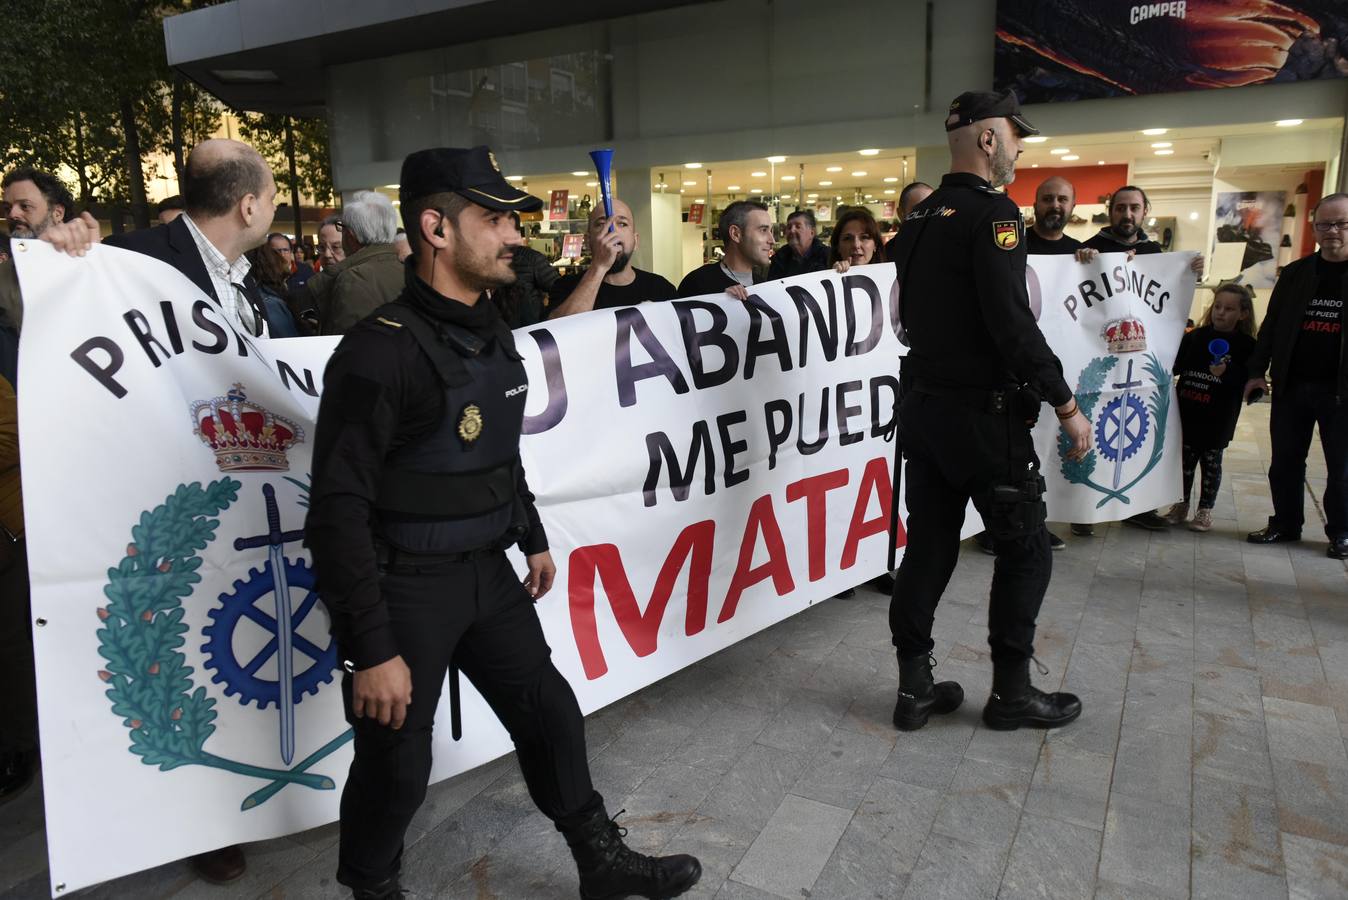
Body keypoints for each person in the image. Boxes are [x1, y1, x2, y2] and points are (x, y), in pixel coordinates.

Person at [305, 145, 702, 900]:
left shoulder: (489, 327)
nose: (515, 235)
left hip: (488, 572)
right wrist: (373, 645)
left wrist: (531, 534)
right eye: (494, 219)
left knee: (550, 712)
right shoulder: (377, 355)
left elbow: (496, 448)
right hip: (405, 588)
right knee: (397, 765)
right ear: (436, 227)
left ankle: (600, 864)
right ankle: (372, 889)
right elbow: (337, 512)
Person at [887, 89, 1090, 734]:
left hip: (924, 413)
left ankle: (915, 688)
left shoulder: (918, 220)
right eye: (1014, 135)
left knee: (930, 548)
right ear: (987, 139)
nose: (1020, 149)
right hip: (984, 420)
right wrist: (1065, 403)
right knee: (1027, 548)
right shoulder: (995, 214)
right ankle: (1011, 692)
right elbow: (1010, 320)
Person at [1082, 185, 1205, 532]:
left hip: (1140, 364)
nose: (1127, 214)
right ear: (1111, 211)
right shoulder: (1091, 248)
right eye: (1120, 207)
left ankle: (1136, 506)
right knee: (1094, 433)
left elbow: (1166, 296)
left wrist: (1190, 268)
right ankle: (1085, 510)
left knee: (1138, 435)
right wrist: (1083, 261)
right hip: (1101, 359)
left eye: (1134, 208)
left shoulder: (1155, 251)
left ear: (1145, 211)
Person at [1244, 192, 1348, 559]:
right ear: (1315, 227)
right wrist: (1257, 372)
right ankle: (1286, 524)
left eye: (1341, 223)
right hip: (1292, 385)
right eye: (1324, 224)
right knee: (1285, 461)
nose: (1332, 231)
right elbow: (1271, 327)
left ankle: (1342, 533)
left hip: (1341, 393)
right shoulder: (1297, 274)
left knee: (1342, 468)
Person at [105, 139, 278, 339]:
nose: (273, 208)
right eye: (271, 198)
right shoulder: (131, 258)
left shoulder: (240, 272)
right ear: (249, 207)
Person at [1163, 283, 1257, 532]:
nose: (1221, 313)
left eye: (1229, 309)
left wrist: (1228, 372)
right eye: (1217, 306)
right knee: (1183, 463)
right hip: (1188, 412)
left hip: (1218, 418)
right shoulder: (1195, 336)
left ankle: (1205, 510)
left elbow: (1247, 380)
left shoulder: (1247, 345)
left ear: (1243, 314)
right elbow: (1175, 365)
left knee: (1211, 465)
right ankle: (1179, 505)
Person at [549, 198, 676, 318]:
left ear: (635, 241)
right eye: (601, 224)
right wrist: (599, 267)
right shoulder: (565, 287)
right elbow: (555, 334)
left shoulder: (661, 289)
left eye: (622, 223)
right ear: (587, 242)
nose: (612, 231)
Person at [309, 191, 404, 336]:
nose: (328, 254)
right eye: (322, 247)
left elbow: (351, 346)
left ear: (351, 235)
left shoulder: (354, 279)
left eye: (342, 227)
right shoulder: (411, 270)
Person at [677, 200, 773, 298]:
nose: (772, 240)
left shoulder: (763, 286)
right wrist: (722, 301)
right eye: (763, 230)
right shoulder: (697, 283)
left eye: (771, 231)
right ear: (735, 234)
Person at [501, 209, 558, 326]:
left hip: (528, 332)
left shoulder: (532, 259)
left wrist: (546, 319)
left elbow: (559, 290)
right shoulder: (482, 261)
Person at [245, 242, 302, 337]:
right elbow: (287, 342)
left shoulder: (267, 298)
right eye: (278, 251)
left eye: (285, 250)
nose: (282, 255)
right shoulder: (271, 304)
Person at [766, 208, 830, 279]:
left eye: (798, 226)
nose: (792, 230)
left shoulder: (828, 256)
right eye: (789, 227)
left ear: (812, 233)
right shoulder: (779, 257)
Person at [884, 181, 934, 259]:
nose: (927, 215)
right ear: (901, 214)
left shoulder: (948, 246)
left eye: (932, 209)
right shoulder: (887, 254)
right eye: (919, 211)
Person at [829, 207, 886, 272]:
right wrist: (833, 276)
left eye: (864, 237)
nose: (856, 245)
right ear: (838, 246)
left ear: (875, 245)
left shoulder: (889, 277)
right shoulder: (823, 279)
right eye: (848, 238)